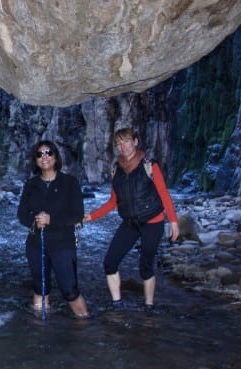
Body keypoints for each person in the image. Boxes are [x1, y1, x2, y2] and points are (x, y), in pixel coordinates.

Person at [83, 127, 179, 309]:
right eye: (119, 143)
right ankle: (117, 303)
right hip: (130, 223)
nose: (123, 146)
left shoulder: (149, 165)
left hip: (153, 221)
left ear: (135, 142)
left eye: (126, 141)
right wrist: (91, 216)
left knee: (145, 266)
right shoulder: (116, 170)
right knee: (110, 262)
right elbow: (113, 202)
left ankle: (149, 306)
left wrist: (173, 221)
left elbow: (164, 194)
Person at [17, 140, 89, 318]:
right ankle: (40, 333)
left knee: (69, 289)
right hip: (36, 244)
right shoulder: (31, 185)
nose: (45, 157)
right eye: (40, 154)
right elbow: (22, 214)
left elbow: (78, 215)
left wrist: (51, 220)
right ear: (35, 160)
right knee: (40, 287)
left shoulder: (69, 183)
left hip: (62, 244)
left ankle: (84, 327)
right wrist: (34, 222)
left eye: (49, 153)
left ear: (56, 157)